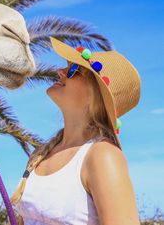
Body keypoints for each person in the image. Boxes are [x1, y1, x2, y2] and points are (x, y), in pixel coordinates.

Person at [10, 37, 142, 225]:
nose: (60, 71)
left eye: (74, 71)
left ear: (96, 95)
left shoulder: (102, 155)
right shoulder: (40, 155)